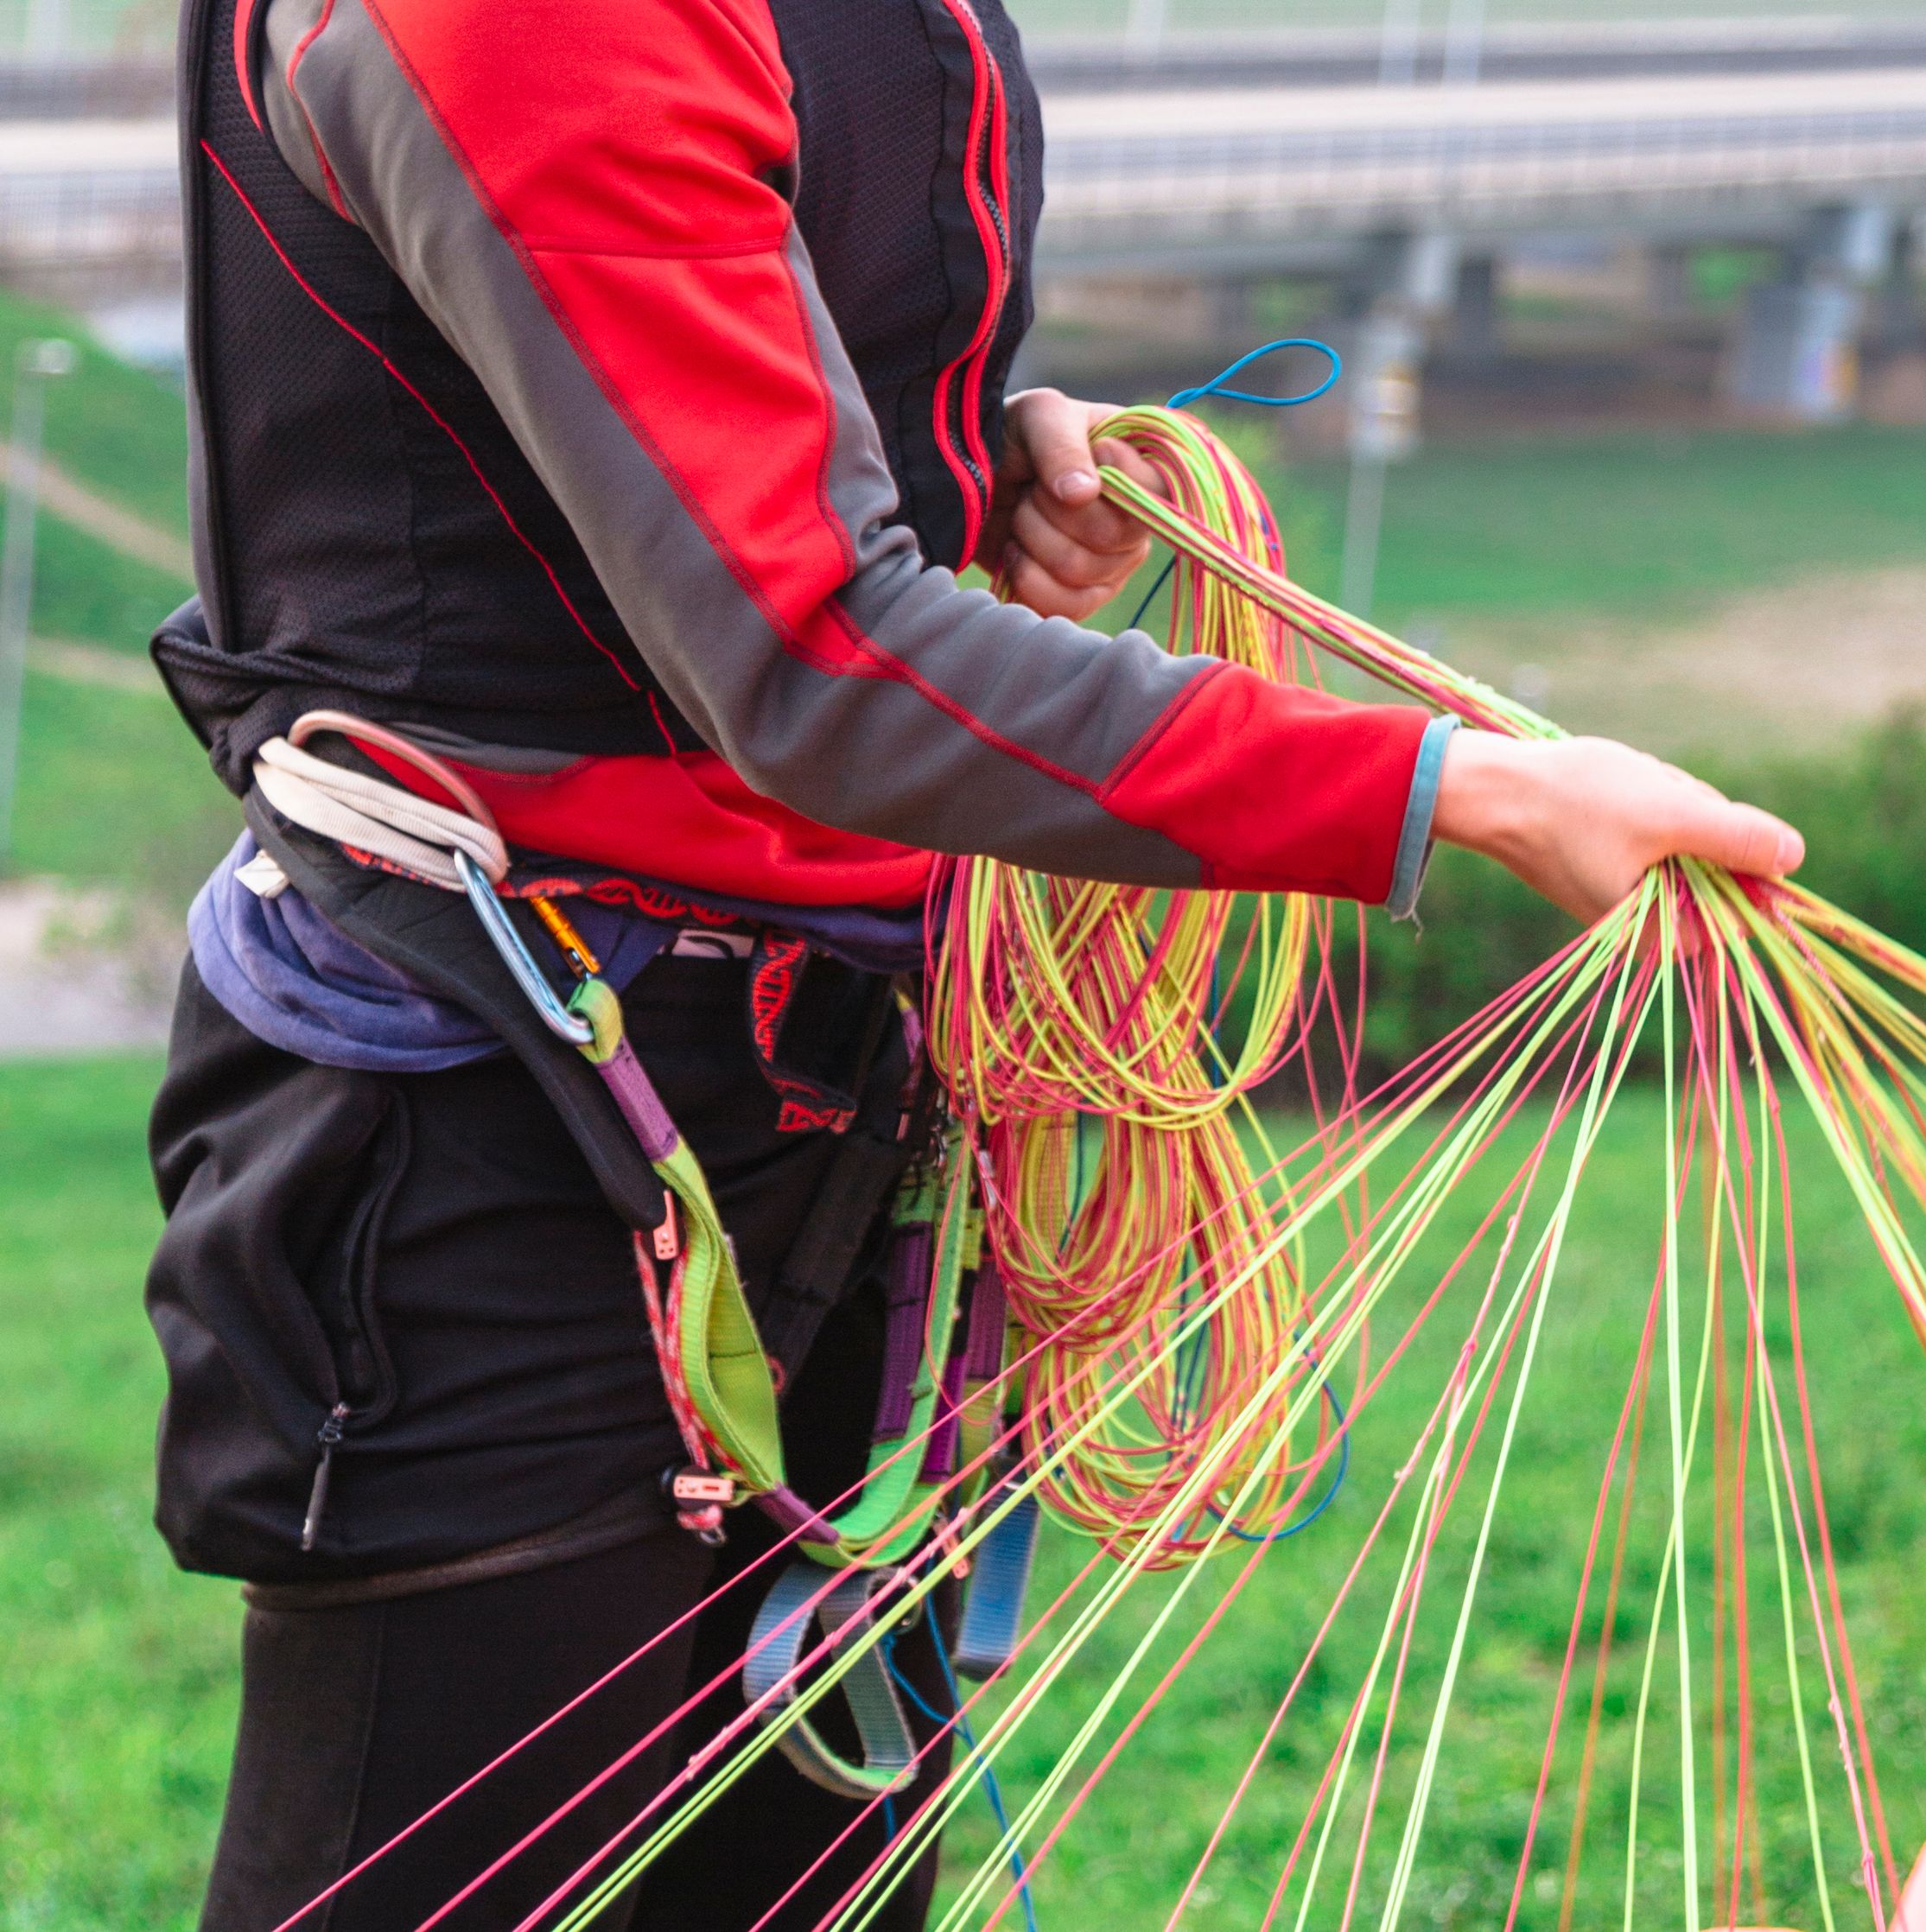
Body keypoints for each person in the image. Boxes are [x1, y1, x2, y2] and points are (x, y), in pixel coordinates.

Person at [149, 0, 1803, 1924]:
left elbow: (683, 358)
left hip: (838, 1091)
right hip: (499, 1130)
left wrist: (922, 455)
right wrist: (1462, 788)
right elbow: (814, 665)